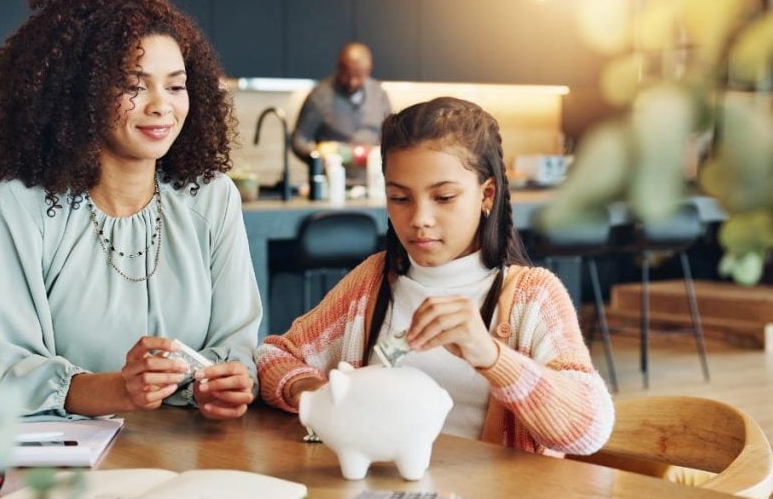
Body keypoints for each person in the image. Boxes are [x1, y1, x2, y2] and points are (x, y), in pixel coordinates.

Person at [0, 0, 260, 421]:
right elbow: (7, 374)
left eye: (176, 85)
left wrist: (230, 381)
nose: (161, 105)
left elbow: (237, 344)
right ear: (78, 93)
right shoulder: (20, 209)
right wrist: (118, 390)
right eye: (133, 84)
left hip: (192, 455)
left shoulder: (212, 199)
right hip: (66, 465)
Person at [257, 97, 614, 456]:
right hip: (381, 497)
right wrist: (314, 394)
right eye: (400, 198)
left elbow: (589, 430)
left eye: (443, 197)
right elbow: (275, 355)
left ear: (486, 194)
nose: (419, 219)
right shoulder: (373, 283)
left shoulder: (532, 297)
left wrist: (491, 357)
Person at [291, 42, 392, 183]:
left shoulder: (379, 94)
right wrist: (318, 155)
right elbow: (299, 140)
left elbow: (391, 136)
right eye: (347, 75)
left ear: (369, 70)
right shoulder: (320, 96)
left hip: (373, 182)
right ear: (338, 67)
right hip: (331, 182)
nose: (352, 82)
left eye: (359, 76)